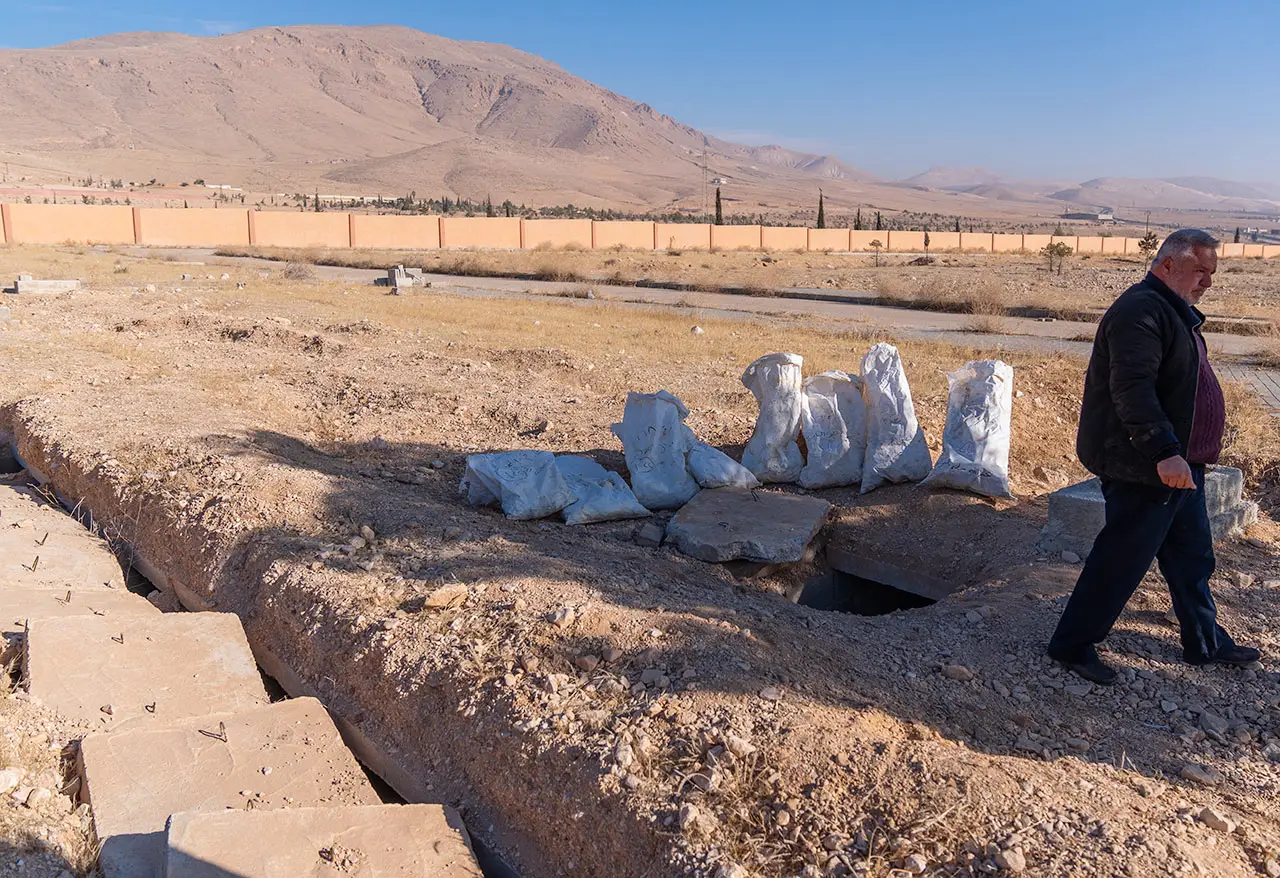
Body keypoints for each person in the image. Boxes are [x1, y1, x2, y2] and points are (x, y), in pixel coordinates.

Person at [1047, 228, 1260, 685]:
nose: (1207, 281)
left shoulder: (1173, 310)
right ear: (1167, 265)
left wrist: (1183, 455)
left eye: (1212, 272)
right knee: (1121, 559)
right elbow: (1132, 390)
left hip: (1182, 467)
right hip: (1146, 467)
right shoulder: (1140, 311)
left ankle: (1204, 642)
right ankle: (1071, 645)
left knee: (1192, 558)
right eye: (1199, 270)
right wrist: (1164, 451)